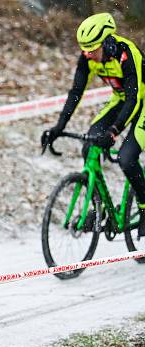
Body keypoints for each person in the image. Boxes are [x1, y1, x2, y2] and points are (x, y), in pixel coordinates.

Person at [42, 12, 145, 235]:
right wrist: (59, 126)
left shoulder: (127, 54)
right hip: (121, 99)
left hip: (141, 101)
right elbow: (76, 92)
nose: (87, 54)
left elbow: (135, 98)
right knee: (89, 145)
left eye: (92, 49)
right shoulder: (88, 57)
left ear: (107, 43)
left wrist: (115, 131)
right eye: (84, 49)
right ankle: (99, 204)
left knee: (127, 158)